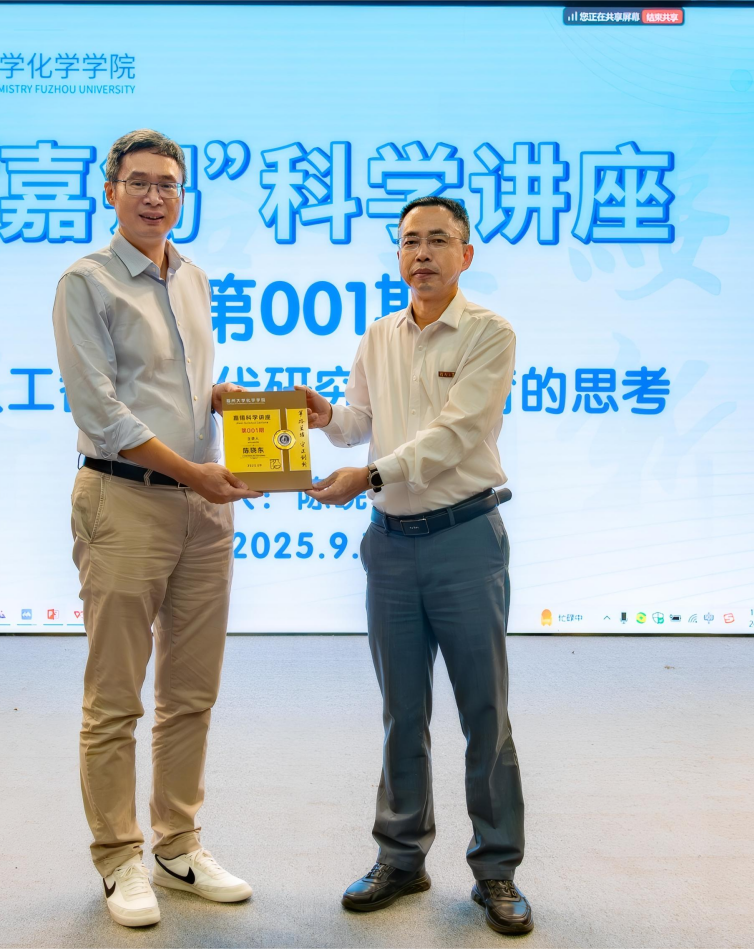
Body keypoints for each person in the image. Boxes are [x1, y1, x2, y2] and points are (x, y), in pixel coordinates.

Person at [298, 196, 531, 936]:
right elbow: (359, 423)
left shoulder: (490, 332)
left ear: (466, 253)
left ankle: (496, 869)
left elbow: (459, 432)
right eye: (409, 242)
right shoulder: (378, 335)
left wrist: (369, 474)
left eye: (437, 240)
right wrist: (323, 415)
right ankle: (401, 856)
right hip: (392, 545)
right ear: (397, 254)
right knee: (403, 710)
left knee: (484, 711)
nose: (421, 254)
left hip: (465, 540)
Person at [52, 129, 260, 928]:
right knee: (115, 697)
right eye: (138, 181)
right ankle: (118, 857)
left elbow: (177, 387)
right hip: (125, 499)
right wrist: (192, 471)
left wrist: (219, 400)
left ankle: (178, 843)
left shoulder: (194, 277)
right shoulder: (87, 281)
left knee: (190, 691)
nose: (153, 196)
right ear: (110, 190)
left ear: (183, 195)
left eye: (168, 184)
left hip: (204, 509)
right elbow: (101, 410)